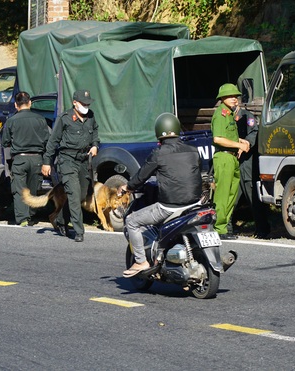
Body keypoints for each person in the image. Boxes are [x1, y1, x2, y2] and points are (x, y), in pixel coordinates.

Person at [119, 113, 202, 277]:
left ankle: (141, 261)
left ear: (159, 131)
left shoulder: (158, 153)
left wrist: (127, 187)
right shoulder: (193, 151)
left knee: (132, 221)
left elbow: (141, 177)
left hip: (169, 207)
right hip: (195, 204)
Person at [41, 89, 99, 242]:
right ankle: (79, 231)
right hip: (67, 160)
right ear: (74, 103)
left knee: (79, 196)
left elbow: (95, 134)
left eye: (88, 103)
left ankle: (60, 220)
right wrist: (47, 162)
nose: (86, 106)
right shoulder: (65, 118)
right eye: (83, 103)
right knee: (73, 194)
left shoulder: (91, 116)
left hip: (83, 161)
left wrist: (95, 145)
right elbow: (53, 141)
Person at [1, 91, 50, 226]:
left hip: (20, 160)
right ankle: (31, 216)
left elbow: (4, 142)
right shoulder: (41, 119)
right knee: (33, 189)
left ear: (16, 105)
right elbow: (48, 141)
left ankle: (22, 219)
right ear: (30, 103)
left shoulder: (11, 121)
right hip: (37, 159)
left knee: (20, 189)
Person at [211, 83, 250, 240]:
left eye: (236, 96)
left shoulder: (229, 114)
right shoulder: (221, 114)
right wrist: (238, 145)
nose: (235, 99)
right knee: (223, 195)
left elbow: (228, 136)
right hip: (224, 157)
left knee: (231, 195)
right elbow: (218, 138)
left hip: (232, 158)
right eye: (231, 96)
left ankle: (224, 228)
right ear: (223, 98)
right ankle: (219, 228)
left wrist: (241, 141)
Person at [234, 95, 272, 239]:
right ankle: (227, 228)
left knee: (253, 197)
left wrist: (245, 144)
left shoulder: (246, 116)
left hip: (247, 162)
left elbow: (254, 133)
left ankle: (262, 229)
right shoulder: (226, 118)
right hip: (234, 163)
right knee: (231, 198)